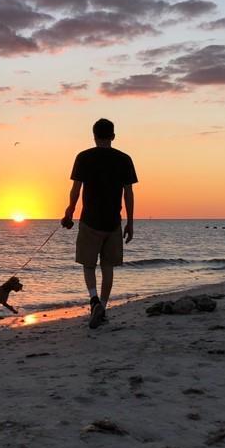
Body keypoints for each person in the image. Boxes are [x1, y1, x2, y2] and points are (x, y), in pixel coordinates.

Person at [61, 118, 138, 329]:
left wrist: (69, 211)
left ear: (94, 136)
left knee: (88, 264)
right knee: (107, 267)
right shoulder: (124, 159)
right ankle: (102, 307)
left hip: (89, 221)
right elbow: (128, 194)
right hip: (113, 222)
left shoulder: (84, 157)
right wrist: (130, 223)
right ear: (113, 136)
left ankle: (93, 299)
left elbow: (76, 190)